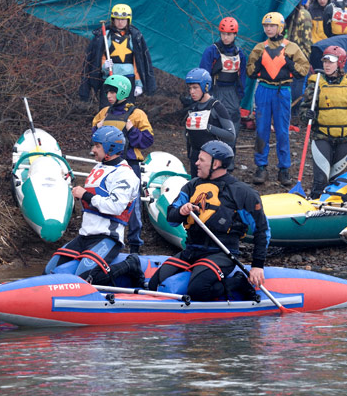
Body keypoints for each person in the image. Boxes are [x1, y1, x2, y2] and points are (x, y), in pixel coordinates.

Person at [147, 141, 269, 301]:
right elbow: (171, 219)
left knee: (198, 290)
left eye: (202, 160)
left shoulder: (243, 193)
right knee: (153, 284)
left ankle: (237, 282)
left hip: (222, 254)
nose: (196, 163)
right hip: (191, 251)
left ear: (216, 163)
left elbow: (262, 231)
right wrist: (181, 211)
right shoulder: (190, 187)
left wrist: (257, 266)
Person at [45, 126, 144, 285]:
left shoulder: (125, 174)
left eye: (97, 146)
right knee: (49, 269)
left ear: (111, 148)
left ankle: (130, 264)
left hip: (108, 237)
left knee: (85, 279)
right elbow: (93, 200)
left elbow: (115, 206)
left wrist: (85, 195)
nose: (93, 150)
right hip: (85, 235)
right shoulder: (98, 167)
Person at [91, 74, 154, 254]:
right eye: (108, 91)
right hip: (107, 166)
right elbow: (95, 139)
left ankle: (135, 245)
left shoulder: (137, 114)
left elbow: (147, 141)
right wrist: (98, 127)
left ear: (123, 91)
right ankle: (106, 240)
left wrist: (131, 129)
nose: (109, 95)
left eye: (113, 91)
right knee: (104, 199)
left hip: (130, 164)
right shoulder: (104, 113)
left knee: (132, 207)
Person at [246, 12, 310, 185]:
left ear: (280, 27)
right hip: (264, 90)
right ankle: (261, 167)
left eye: (272, 25)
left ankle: (284, 169)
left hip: (283, 91)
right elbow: (250, 71)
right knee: (262, 130)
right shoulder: (260, 47)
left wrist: (290, 64)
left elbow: (304, 69)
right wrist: (258, 63)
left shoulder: (292, 48)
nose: (268, 29)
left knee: (282, 131)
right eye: (266, 26)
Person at [300, 46, 347, 198]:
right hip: (322, 136)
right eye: (325, 61)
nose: (327, 65)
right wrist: (308, 114)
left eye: (331, 62)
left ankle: (333, 206)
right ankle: (316, 202)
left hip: (346, 138)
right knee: (321, 179)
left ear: (340, 63)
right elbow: (304, 111)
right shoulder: (315, 84)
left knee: (336, 180)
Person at [79, 4, 156, 107]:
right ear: (113, 20)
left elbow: (139, 62)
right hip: (110, 79)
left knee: (126, 110)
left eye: (123, 19)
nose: (120, 22)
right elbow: (97, 57)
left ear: (128, 20)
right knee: (106, 109)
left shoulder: (135, 36)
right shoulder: (104, 36)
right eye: (117, 19)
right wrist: (104, 67)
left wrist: (138, 85)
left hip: (128, 80)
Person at [199, 17, 247, 136]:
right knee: (214, 119)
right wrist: (206, 93)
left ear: (235, 34)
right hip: (215, 89)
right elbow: (203, 73)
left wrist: (240, 94)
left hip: (232, 91)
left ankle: (230, 150)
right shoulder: (211, 51)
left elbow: (242, 76)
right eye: (223, 34)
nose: (226, 37)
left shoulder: (239, 53)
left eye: (229, 34)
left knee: (233, 120)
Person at [183, 68, 236, 174]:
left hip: (212, 160)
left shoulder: (216, 106)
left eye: (195, 88)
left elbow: (231, 135)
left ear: (205, 87)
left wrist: (208, 127)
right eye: (190, 88)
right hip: (196, 158)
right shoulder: (193, 107)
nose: (191, 92)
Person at [284, 0, 314, 114]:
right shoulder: (305, 14)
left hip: (288, 54)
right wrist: (308, 57)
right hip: (300, 55)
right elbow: (306, 39)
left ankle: (288, 109)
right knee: (298, 84)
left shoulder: (289, 12)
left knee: (289, 83)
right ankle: (295, 111)